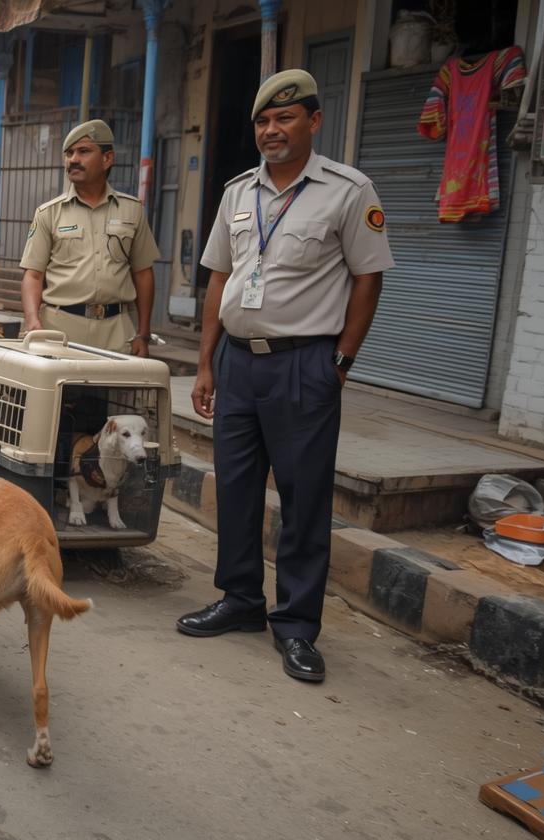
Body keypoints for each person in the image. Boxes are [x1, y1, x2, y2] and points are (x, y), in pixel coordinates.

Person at [175, 70, 393, 684]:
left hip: (305, 365)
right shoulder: (237, 192)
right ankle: (240, 600)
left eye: (285, 118)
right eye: (263, 122)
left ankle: (297, 626)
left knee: (303, 501)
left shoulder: (349, 191)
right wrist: (207, 362)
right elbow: (218, 276)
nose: (271, 130)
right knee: (238, 490)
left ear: (314, 122)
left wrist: (341, 363)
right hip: (238, 363)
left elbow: (368, 278)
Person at [19, 120, 161, 355]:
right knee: (60, 393)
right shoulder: (49, 213)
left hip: (117, 332)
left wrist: (143, 333)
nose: (73, 159)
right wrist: (32, 321)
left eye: (84, 151)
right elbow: (33, 274)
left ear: (107, 159)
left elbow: (143, 273)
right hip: (59, 330)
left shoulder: (132, 210)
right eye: (69, 153)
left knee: (114, 392)